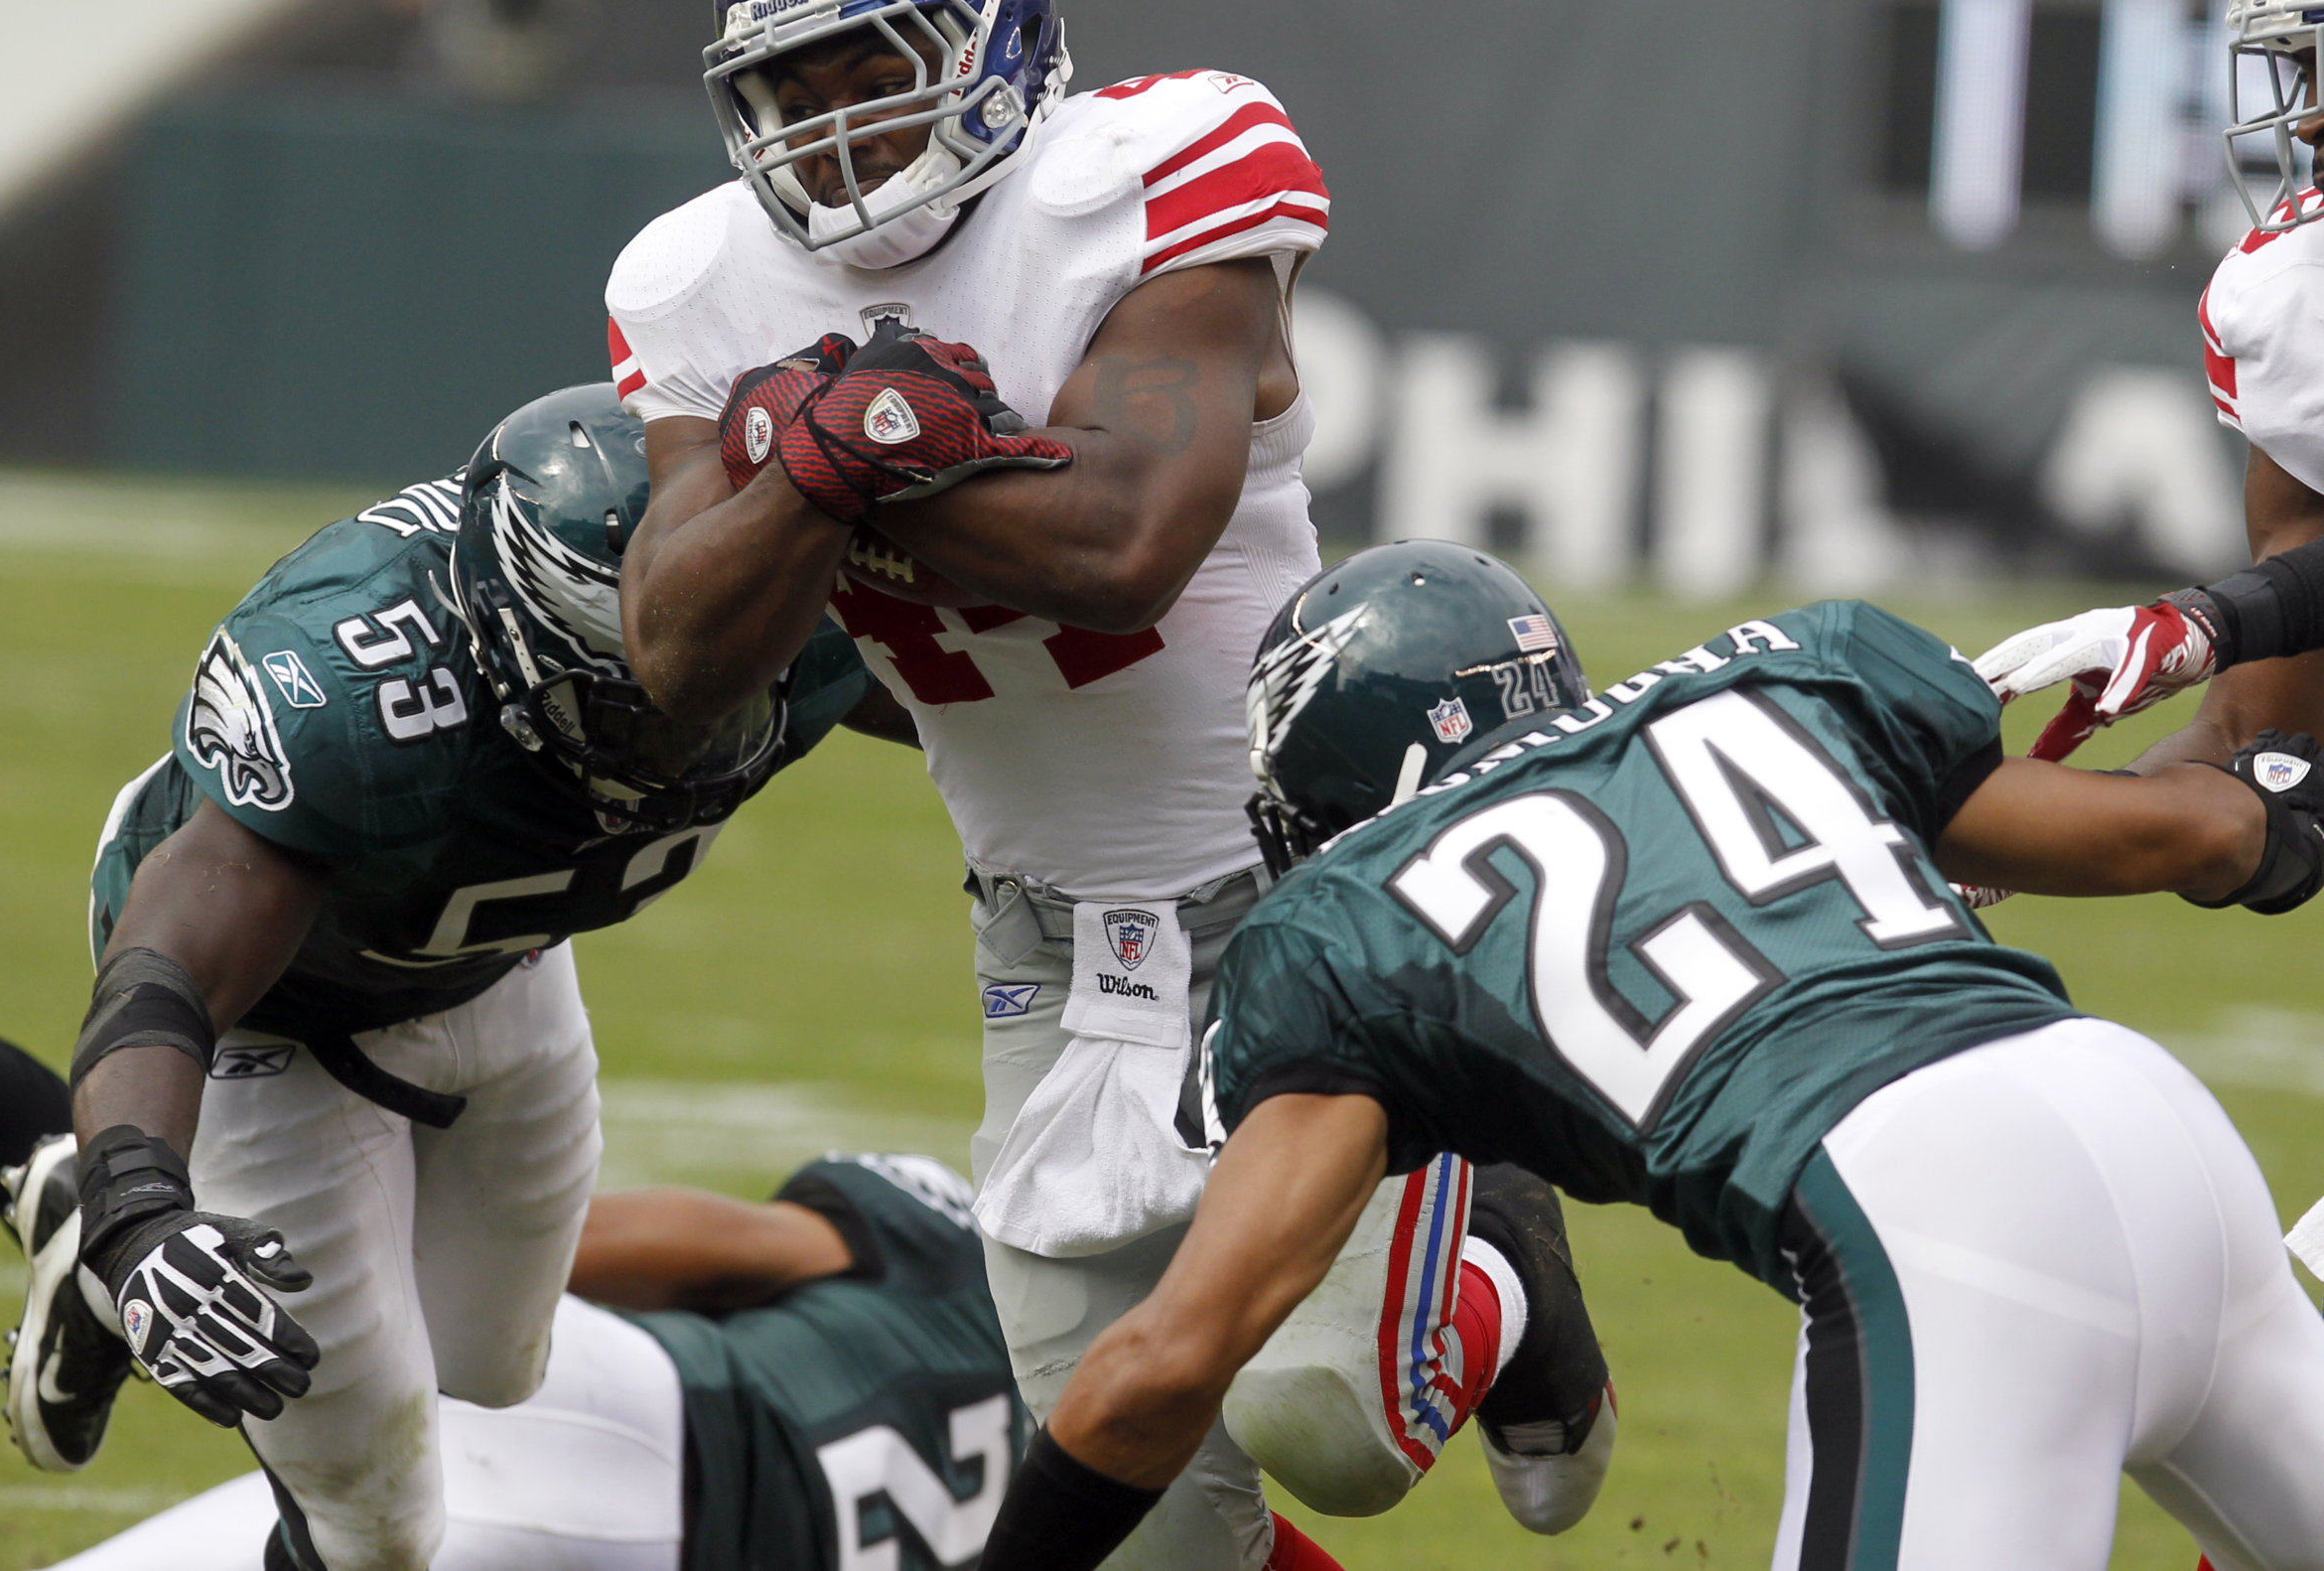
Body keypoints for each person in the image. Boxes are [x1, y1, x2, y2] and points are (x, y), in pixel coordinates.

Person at [603, 0, 1609, 1568]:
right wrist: (842, 462)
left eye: (873, 71)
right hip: (1050, 944)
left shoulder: (1151, 177)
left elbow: (1125, 539)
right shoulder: (692, 285)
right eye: (788, 90)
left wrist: (837, 467)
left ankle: (1499, 1225)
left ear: (996, 49)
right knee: (1140, 1519)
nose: (832, 131)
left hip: (1313, 894)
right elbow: (679, 655)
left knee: (1332, 1429)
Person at [975, 541, 2324, 1571]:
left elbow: (1170, 1361)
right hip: (2154, 1125)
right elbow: (2190, 839)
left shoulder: (1344, 927)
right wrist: (2285, 819)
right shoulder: (1783, 681)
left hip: (1952, 1234)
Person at [0, 383, 903, 1571]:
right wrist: (144, 1211)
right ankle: (103, 1218)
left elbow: (1021, 718)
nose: (693, 721)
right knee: (379, 1528)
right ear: (520, 645)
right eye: (642, 694)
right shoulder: (349, 696)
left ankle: (78, 1231)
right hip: (281, 1019)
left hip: (493, 967)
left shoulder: (790, 623)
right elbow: (166, 979)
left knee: (493, 1367)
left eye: (726, 669)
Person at [0, 931, 1020, 1571]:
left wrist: (410, 1293)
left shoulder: (983, 1264)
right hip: (642, 1517)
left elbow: (715, 1248)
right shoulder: (1146, 1460)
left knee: (227, 1259)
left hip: (620, 1395)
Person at [1972, 0, 2324, 768]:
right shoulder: (2297, 289)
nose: (2311, 122)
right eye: (2302, 67)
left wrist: (2208, 621)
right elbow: (2262, 756)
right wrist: (1967, 836)